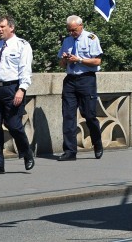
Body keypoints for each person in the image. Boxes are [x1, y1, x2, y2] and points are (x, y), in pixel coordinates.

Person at [0, 14, 34, 175]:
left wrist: (22, 89)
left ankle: (26, 152)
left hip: (12, 88)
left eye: (2, 27)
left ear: (11, 27)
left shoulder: (22, 45)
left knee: (13, 125)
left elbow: (25, 69)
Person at [57, 14, 104, 161]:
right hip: (70, 80)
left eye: (74, 30)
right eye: (69, 30)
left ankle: (97, 143)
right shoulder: (67, 41)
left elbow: (97, 61)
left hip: (86, 80)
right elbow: (61, 64)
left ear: (81, 26)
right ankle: (70, 151)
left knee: (89, 115)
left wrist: (79, 60)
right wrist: (65, 60)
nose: (72, 33)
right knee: (68, 116)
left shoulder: (91, 38)